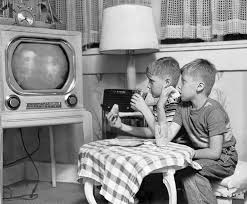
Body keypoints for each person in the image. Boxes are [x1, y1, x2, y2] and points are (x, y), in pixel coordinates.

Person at [155, 58, 238, 204]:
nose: (179, 86)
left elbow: (214, 152)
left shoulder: (213, 111)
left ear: (199, 86)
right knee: (167, 172)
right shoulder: (182, 106)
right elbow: (164, 139)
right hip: (203, 155)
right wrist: (160, 105)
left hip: (224, 158)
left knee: (190, 174)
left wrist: (189, 153)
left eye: (184, 81)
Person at [106, 56, 181, 139]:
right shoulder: (160, 101)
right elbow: (153, 132)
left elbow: (163, 137)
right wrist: (122, 126)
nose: (148, 86)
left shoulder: (174, 101)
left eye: (151, 81)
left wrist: (145, 109)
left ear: (167, 82)